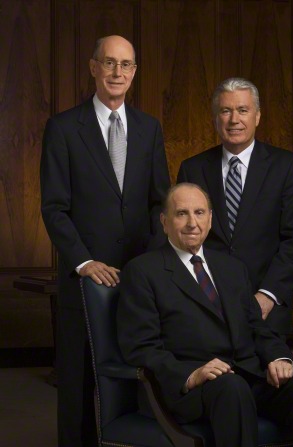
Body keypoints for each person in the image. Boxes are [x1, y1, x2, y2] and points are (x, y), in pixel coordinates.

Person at [117, 183, 293, 447]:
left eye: (199, 213)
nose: (192, 223)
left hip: (248, 377)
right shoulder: (142, 271)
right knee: (232, 388)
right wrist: (192, 373)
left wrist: (278, 356)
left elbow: (256, 326)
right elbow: (141, 348)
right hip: (194, 387)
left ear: (210, 220)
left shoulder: (232, 268)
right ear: (164, 222)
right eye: (181, 214)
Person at [40, 35, 170, 446]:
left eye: (127, 65)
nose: (118, 73)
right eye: (109, 63)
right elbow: (54, 207)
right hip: (84, 278)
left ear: (134, 73)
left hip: (139, 278)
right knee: (79, 381)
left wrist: (150, 262)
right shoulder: (63, 127)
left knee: (141, 374)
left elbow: (159, 204)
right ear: (93, 67)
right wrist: (84, 261)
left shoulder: (149, 128)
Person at [177, 78, 293, 337]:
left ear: (257, 116)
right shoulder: (193, 168)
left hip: (266, 306)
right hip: (207, 308)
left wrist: (268, 295)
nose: (234, 119)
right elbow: (183, 239)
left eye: (242, 110)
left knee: (267, 376)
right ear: (216, 119)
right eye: (225, 111)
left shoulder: (287, 167)